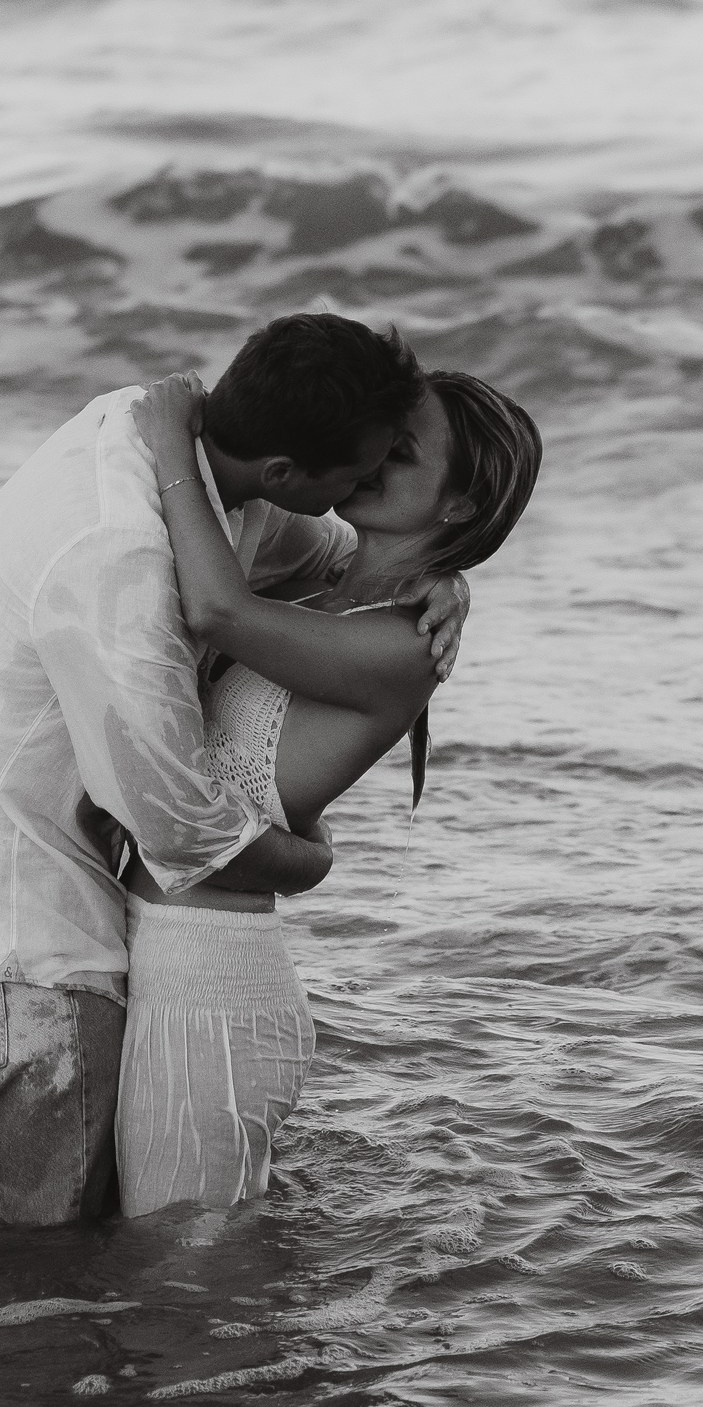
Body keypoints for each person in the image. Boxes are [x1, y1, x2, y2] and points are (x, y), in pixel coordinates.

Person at [0, 314, 471, 1225]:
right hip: (20, 971)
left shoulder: (158, 442)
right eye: (362, 469)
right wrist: (312, 860)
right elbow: (179, 827)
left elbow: (325, 571)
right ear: (286, 473)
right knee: (30, 1294)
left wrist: (442, 575)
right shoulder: (122, 559)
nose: (365, 488)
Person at [115, 362, 542, 1216]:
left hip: (209, 979)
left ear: (457, 505)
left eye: (404, 450)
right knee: (161, 1270)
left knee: (186, 1283)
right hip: (157, 941)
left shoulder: (401, 648)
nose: (374, 450)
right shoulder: (324, 590)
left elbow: (217, 614)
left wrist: (168, 450)